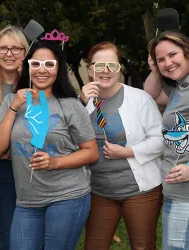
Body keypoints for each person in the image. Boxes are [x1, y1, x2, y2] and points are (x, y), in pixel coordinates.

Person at [0, 39, 99, 250]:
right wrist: (13, 107)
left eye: (49, 64)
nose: (42, 70)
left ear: (58, 69)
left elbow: (91, 152)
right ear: (27, 66)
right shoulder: (12, 101)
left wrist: (55, 162)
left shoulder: (71, 105)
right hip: (27, 201)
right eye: (36, 64)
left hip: (67, 196)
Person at [79, 41, 164, 250]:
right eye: (99, 66)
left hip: (140, 190)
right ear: (90, 70)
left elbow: (160, 139)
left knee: (142, 246)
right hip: (99, 191)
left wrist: (128, 151)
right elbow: (69, 140)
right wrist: (80, 104)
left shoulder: (140, 99)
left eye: (112, 65)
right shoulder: (81, 102)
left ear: (119, 68)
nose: (105, 71)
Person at [0, 25, 29, 250]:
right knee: (10, 236)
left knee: (36, 235)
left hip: (35, 168)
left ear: (25, 52)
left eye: (16, 48)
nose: (9, 54)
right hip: (4, 172)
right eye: (3, 48)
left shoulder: (36, 82)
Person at [146, 31, 189, 250]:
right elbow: (150, 94)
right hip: (176, 190)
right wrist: (156, 69)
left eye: (173, 55)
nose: (168, 62)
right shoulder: (179, 88)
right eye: (161, 59)